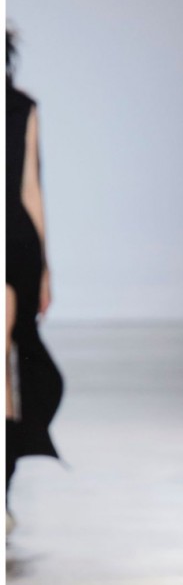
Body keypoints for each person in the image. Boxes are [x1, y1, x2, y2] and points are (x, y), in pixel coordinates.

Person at [5, 29, 63, 533]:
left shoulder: (22, 106)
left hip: (13, 244)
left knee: (4, 362)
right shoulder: (22, 106)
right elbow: (29, 189)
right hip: (17, 240)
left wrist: (42, 267)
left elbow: (29, 187)